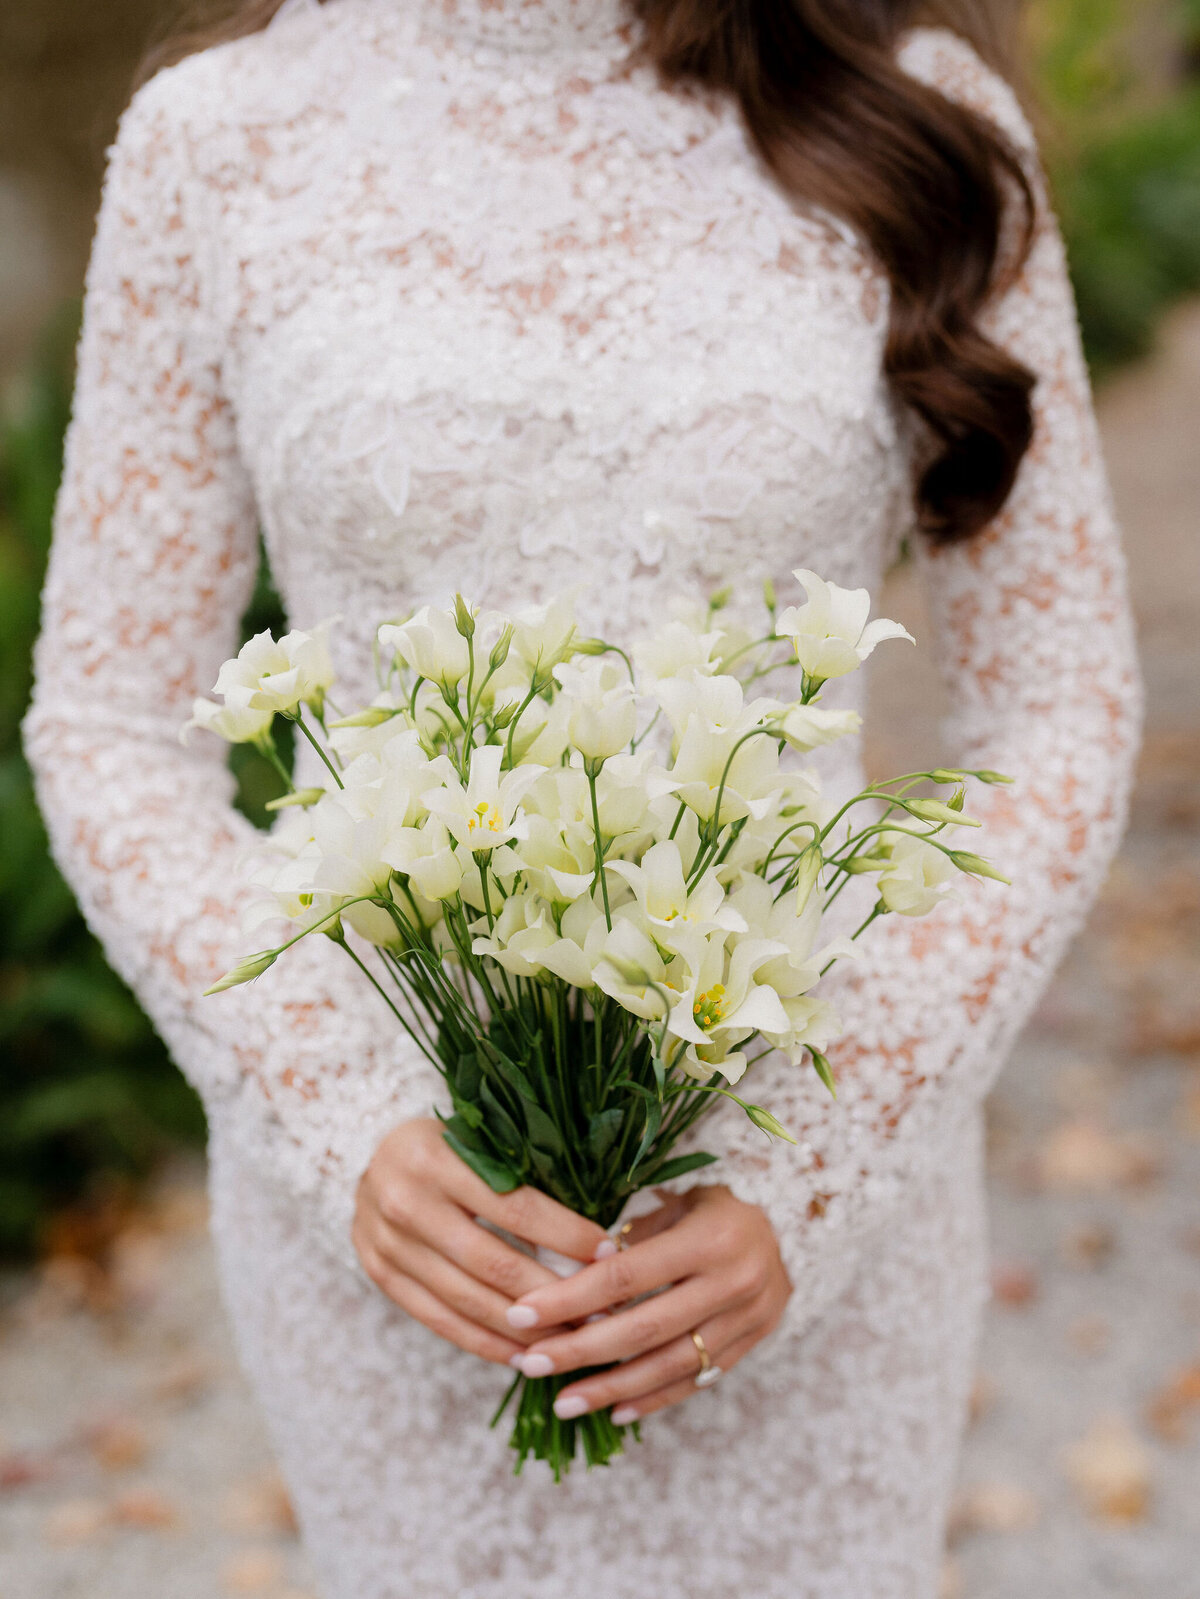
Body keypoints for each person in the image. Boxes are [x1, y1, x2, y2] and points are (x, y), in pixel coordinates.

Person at [23, 0, 1140, 1594]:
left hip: (792, 1208)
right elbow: (111, 720)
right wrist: (338, 1118)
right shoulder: (219, 142)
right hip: (414, 1236)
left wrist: (818, 1163)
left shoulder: (914, 118)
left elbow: (1059, 702)